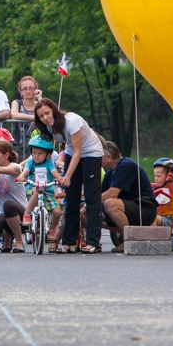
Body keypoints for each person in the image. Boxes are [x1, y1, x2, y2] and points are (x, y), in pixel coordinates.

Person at [33, 98, 104, 254]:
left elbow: (79, 150)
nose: (45, 118)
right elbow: (63, 148)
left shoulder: (71, 121)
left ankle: (93, 242)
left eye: (47, 113)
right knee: (71, 197)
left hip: (90, 152)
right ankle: (69, 241)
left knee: (92, 197)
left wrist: (67, 175)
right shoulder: (50, 128)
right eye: (41, 116)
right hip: (73, 153)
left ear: (54, 110)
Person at [99, 141, 159, 252]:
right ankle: (91, 243)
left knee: (110, 203)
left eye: (99, 156)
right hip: (128, 209)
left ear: (108, 157)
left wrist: (89, 205)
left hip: (144, 209)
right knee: (90, 217)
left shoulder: (126, 165)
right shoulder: (109, 173)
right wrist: (86, 209)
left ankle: (129, 240)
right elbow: (101, 195)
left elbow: (112, 193)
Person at [17, 135, 63, 227]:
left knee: (57, 212)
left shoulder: (49, 163)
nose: (36, 156)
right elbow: (25, 171)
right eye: (34, 153)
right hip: (32, 190)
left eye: (40, 153)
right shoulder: (30, 162)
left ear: (48, 154)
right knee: (37, 190)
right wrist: (21, 176)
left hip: (47, 192)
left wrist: (60, 179)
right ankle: (27, 213)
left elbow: (54, 172)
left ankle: (52, 230)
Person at [10, 75, 42, 155]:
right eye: (25, 88)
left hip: (37, 145)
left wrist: (39, 98)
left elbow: (46, 113)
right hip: (19, 145)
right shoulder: (17, 103)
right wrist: (34, 117)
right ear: (21, 91)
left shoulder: (39, 104)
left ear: (35, 89)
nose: (28, 91)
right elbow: (14, 115)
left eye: (31, 88)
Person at [152, 158, 173, 231]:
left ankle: (152, 240)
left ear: (167, 176)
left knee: (150, 217)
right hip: (156, 217)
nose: (156, 179)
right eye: (155, 176)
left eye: (158, 176)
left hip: (167, 219)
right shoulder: (153, 187)